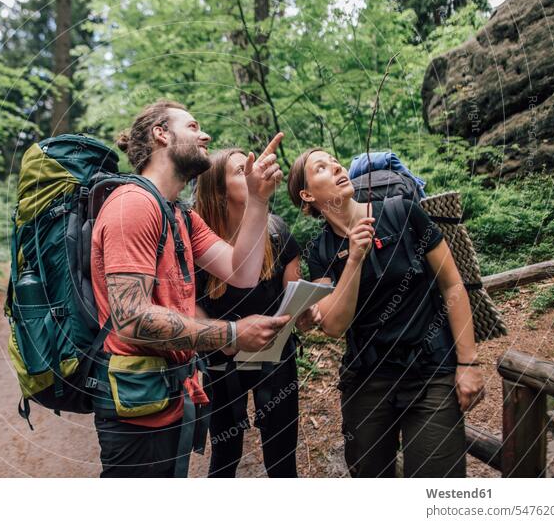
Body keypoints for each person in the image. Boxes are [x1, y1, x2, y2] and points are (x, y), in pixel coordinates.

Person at [89, 99, 289, 477]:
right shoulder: (132, 205)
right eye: (194, 126)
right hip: (135, 408)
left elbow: (241, 272)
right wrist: (231, 333)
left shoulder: (179, 213)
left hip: (171, 397)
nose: (206, 134)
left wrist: (259, 197)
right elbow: (131, 319)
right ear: (161, 134)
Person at [288, 148, 485, 478]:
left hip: (430, 370)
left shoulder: (402, 214)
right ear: (307, 195)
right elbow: (335, 325)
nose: (336, 166)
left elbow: (452, 285)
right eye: (321, 167)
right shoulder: (321, 250)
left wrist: (468, 363)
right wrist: (353, 259)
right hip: (367, 380)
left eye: (334, 161)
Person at [194, 148, 302, 477]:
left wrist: (305, 313)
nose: (252, 173)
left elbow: (294, 295)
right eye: (241, 171)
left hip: (276, 357)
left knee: (283, 459)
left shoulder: (277, 231)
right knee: (225, 455)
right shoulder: (198, 240)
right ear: (218, 189)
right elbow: (189, 307)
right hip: (222, 361)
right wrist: (226, 337)